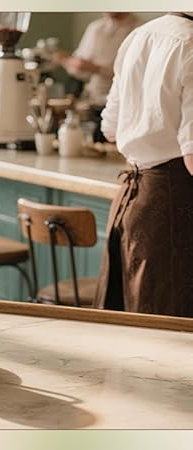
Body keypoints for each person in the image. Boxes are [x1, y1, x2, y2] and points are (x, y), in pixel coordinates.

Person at [94, 13, 193, 318]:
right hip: (175, 202)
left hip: (131, 198)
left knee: (132, 321)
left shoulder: (138, 36)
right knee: (168, 329)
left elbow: (109, 128)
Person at [59, 13, 139, 141]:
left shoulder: (138, 30)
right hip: (93, 102)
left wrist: (94, 68)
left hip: (122, 104)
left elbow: (135, 73)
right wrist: (68, 62)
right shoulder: (95, 28)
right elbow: (80, 70)